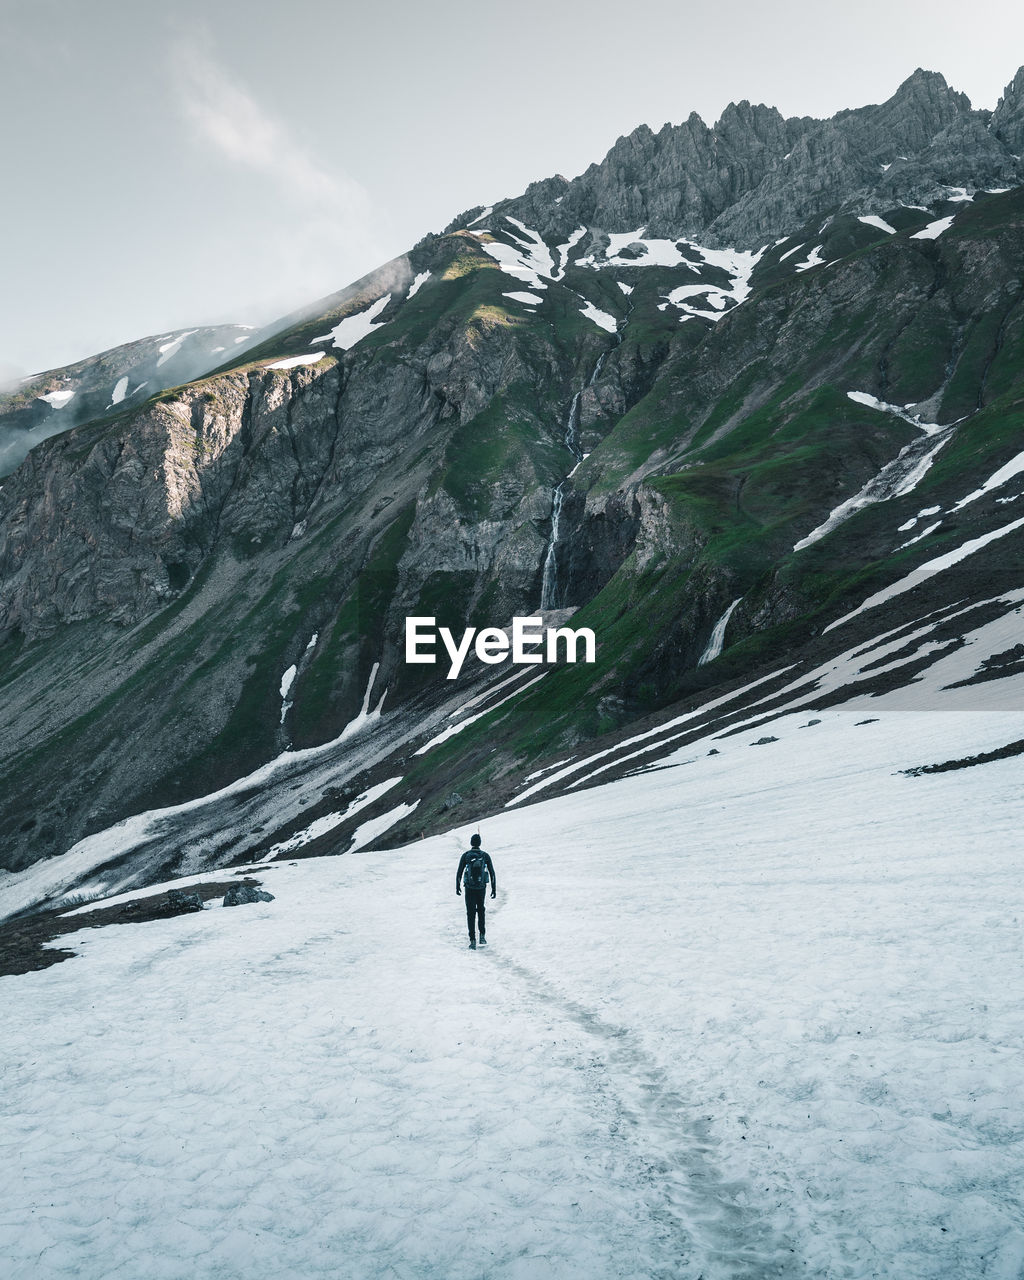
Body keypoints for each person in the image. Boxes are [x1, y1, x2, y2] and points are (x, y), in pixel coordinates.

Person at [456, 834, 496, 949]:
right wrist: (493, 888)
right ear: (480, 843)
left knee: (471, 913)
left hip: (469, 888)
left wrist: (457, 886)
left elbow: (459, 872)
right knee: (481, 911)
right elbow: (492, 873)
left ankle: (472, 940)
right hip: (481, 888)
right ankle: (482, 936)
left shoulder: (466, 856)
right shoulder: (485, 855)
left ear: (471, 843)